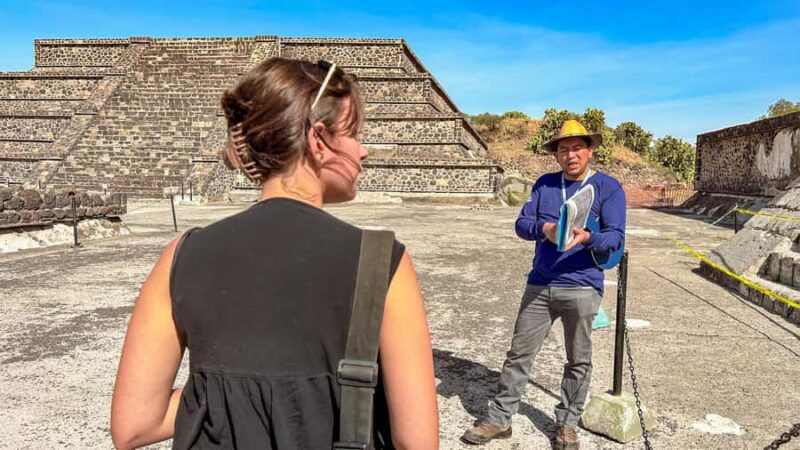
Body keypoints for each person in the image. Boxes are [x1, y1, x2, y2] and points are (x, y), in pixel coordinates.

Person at [111, 58, 439, 450]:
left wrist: (226, 388)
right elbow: (417, 442)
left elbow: (135, 425)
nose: (363, 151)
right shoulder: (380, 263)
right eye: (353, 133)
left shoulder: (182, 255)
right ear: (319, 140)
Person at [461, 119, 626, 449]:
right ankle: (500, 419)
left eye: (577, 148)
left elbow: (616, 238)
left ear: (590, 150)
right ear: (556, 155)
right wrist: (545, 229)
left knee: (578, 360)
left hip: (582, 286)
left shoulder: (608, 188)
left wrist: (588, 238)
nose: (570, 155)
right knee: (518, 355)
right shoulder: (545, 184)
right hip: (540, 283)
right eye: (564, 149)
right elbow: (522, 224)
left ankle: (567, 424)